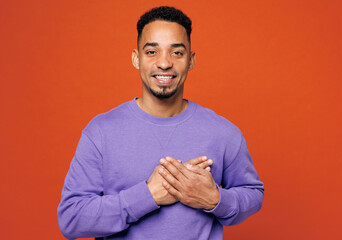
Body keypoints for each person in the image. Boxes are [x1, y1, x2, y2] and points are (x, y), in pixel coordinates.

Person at [58, 6, 264, 240]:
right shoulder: (101, 132)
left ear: (191, 60)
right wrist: (148, 196)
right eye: (152, 52)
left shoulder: (223, 132)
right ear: (136, 59)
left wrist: (215, 199)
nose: (164, 63)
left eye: (177, 53)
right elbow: (71, 219)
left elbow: (253, 194)